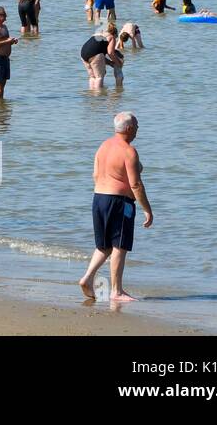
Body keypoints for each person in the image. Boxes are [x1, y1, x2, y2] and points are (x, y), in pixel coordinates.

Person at [79, 112, 153, 302]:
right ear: (128, 128)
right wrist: (147, 209)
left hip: (99, 198)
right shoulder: (129, 151)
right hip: (119, 202)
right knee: (119, 246)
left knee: (104, 246)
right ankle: (116, 291)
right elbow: (136, 184)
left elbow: (95, 174)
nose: (138, 129)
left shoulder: (104, 145)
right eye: (136, 125)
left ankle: (87, 278)